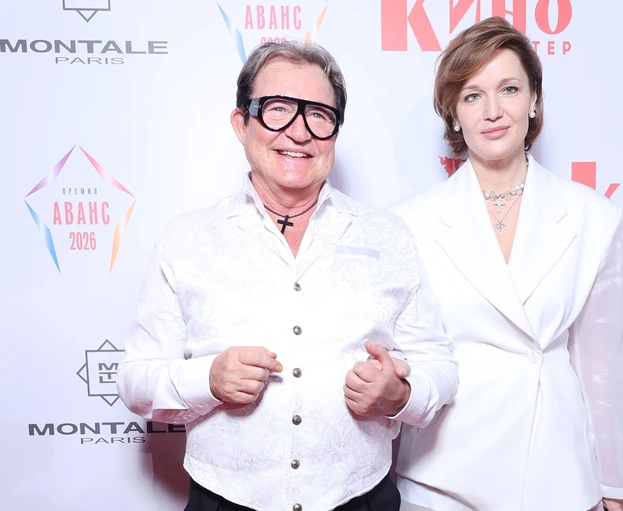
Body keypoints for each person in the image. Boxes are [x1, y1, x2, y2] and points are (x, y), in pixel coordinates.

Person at [117, 41, 458, 511]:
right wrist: (207, 379)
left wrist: (400, 396)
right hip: (224, 499)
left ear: (336, 131)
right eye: (277, 109)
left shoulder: (389, 236)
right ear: (242, 123)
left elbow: (439, 364)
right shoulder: (186, 239)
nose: (299, 132)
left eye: (318, 114)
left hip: (361, 497)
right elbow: (135, 379)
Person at [392, 17, 623, 511]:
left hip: (557, 477)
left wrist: (616, 490)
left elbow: (605, 370)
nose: (493, 111)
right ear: (453, 114)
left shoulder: (592, 217)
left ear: (533, 99)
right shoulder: (408, 223)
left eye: (508, 89)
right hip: (441, 479)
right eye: (472, 95)